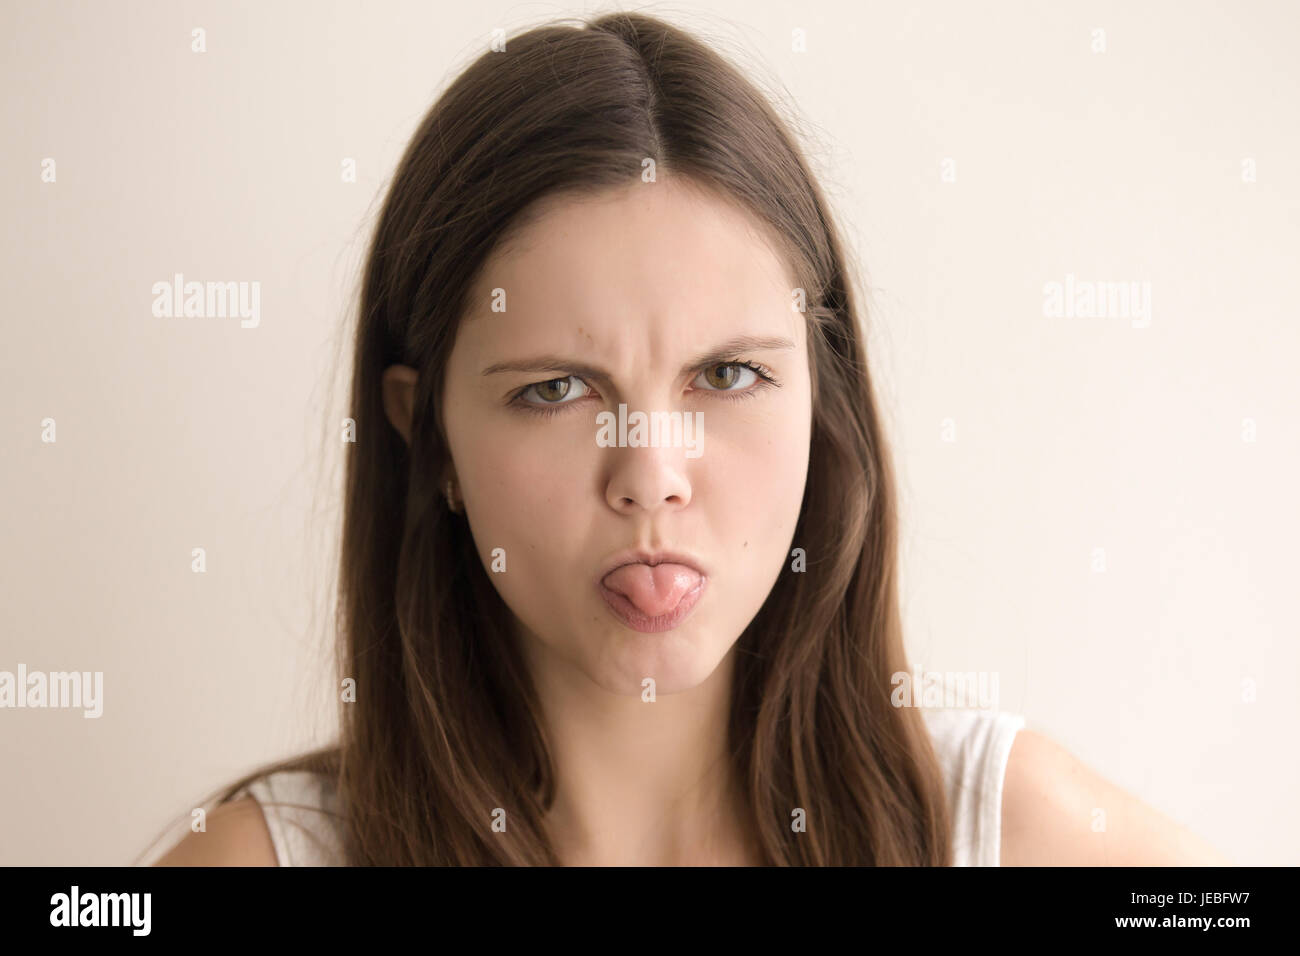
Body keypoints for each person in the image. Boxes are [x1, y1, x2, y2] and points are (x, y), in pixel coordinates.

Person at [149, 11, 1230, 867]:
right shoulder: (260, 859)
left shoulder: (1009, 835)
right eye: (558, 388)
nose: (651, 477)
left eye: (727, 374)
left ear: (822, 398)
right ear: (424, 438)